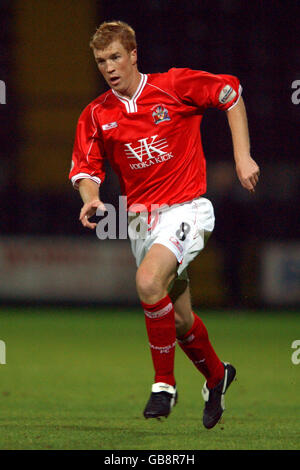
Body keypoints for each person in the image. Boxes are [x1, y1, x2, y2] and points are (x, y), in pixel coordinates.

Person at [69, 20, 260, 429]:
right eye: (102, 60)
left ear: (134, 55)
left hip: (187, 209)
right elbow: (85, 167)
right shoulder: (97, 114)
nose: (110, 66)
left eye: (117, 57)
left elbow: (231, 93)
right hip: (141, 223)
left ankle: (164, 384)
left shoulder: (173, 86)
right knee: (177, 319)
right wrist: (91, 198)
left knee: (147, 281)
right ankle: (216, 374)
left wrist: (242, 155)